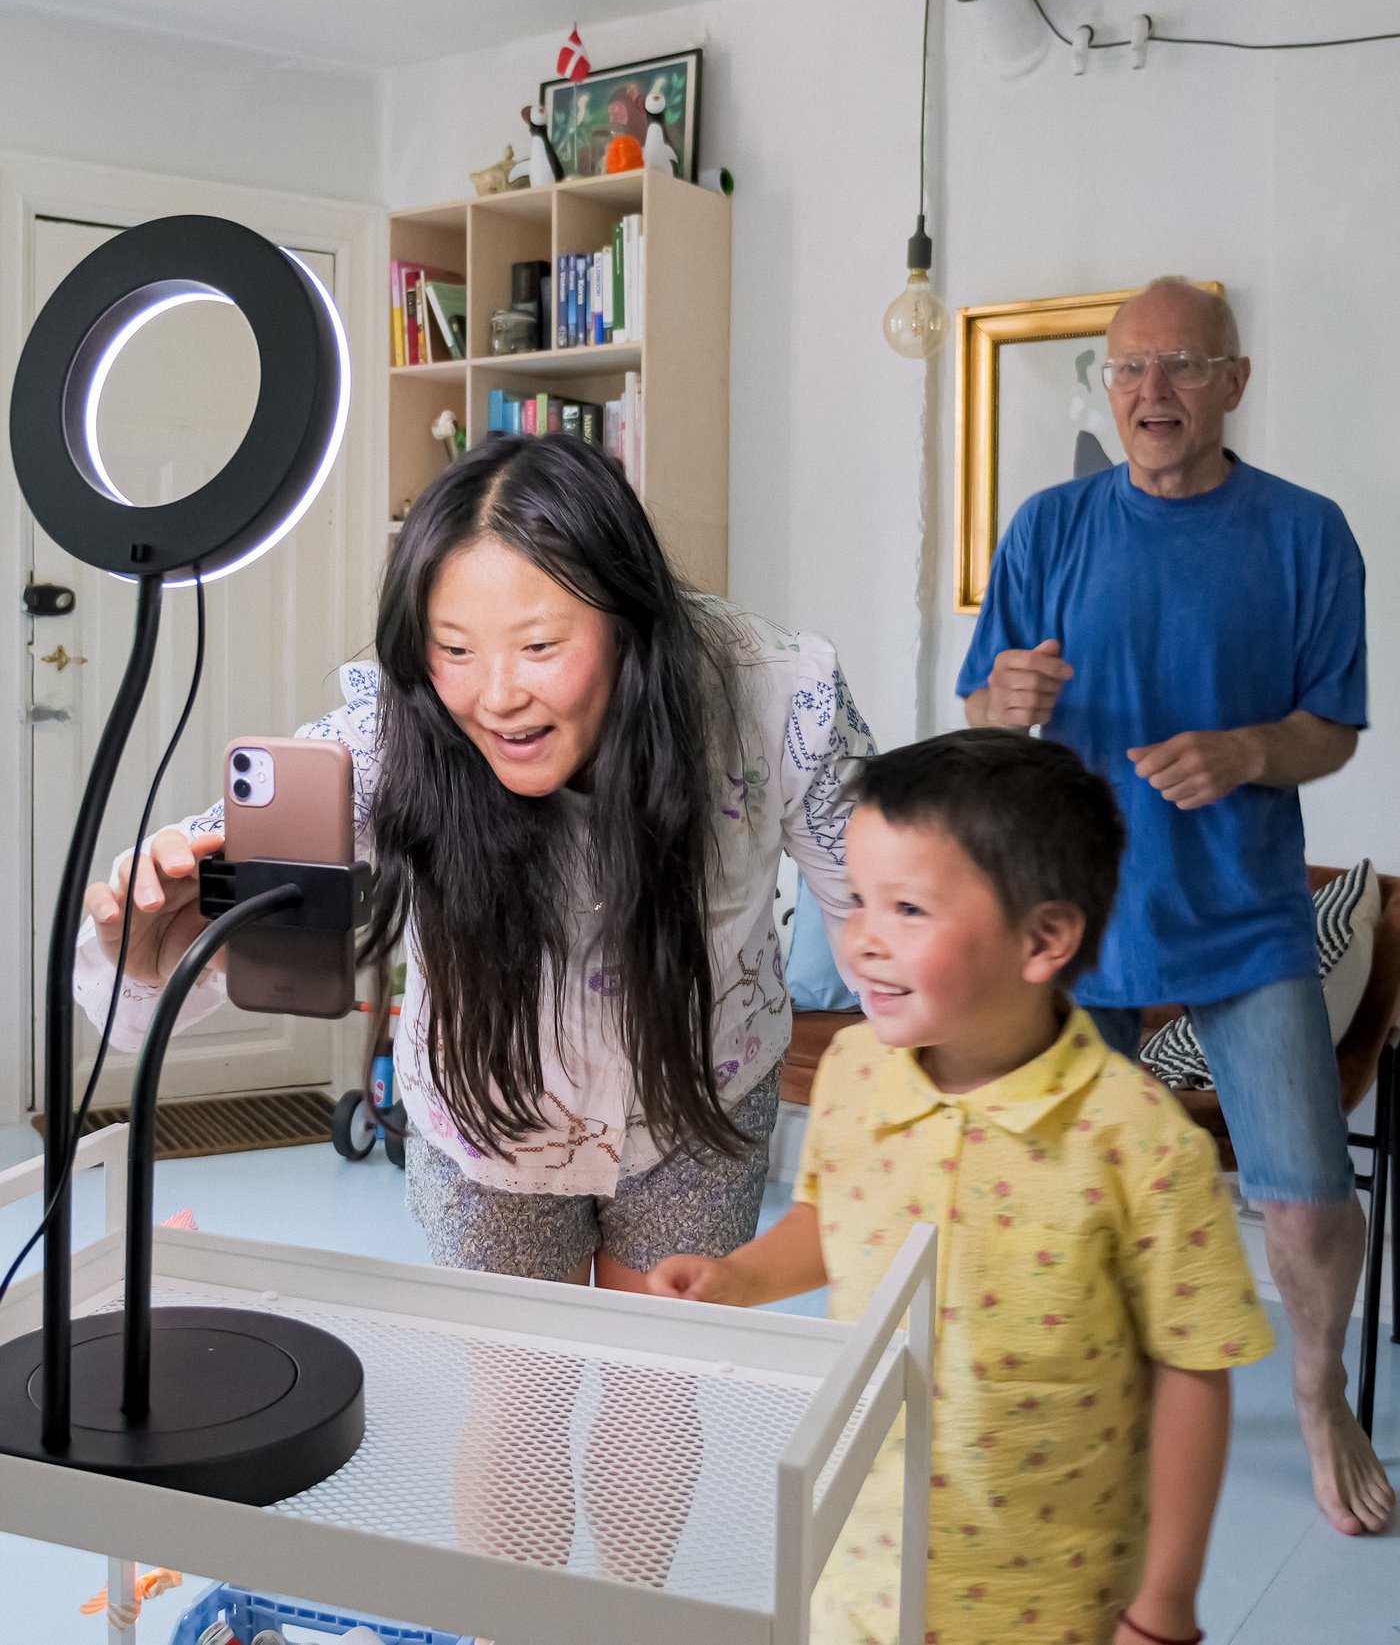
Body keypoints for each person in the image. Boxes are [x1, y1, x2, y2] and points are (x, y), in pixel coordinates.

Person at [75, 434, 874, 1590]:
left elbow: (889, 897)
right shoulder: (384, 733)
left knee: (657, 1381)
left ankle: (622, 1618)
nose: (496, 696)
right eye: (455, 650)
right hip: (488, 1114)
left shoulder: (768, 692)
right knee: (517, 1387)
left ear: (628, 616)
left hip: (699, 1091)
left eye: (541, 647)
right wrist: (138, 948)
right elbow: (173, 961)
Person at [650, 730, 1273, 1645]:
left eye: (908, 909)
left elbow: (1192, 1370)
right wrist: (738, 1278)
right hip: (858, 1560)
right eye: (859, 900)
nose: (862, 940)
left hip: (1052, 1595)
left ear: (1044, 938)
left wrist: (1165, 1605)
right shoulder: (856, 1071)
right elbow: (836, 1220)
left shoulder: (1138, 1141)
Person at [955, 275, 1393, 1537]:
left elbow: (1331, 731)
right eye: (1130, 369)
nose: (1152, 393)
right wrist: (1006, 702)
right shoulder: (1047, 526)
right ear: (1106, 384)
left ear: (1234, 383)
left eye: (1184, 367)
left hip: (1242, 916)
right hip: (1070, 913)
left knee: (1308, 1198)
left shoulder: (1306, 534)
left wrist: (1249, 753)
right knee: (1056, 1190)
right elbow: (981, 703)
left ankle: (1319, 1400)